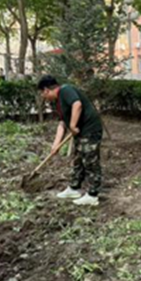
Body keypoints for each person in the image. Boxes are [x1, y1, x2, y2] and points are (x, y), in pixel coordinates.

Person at [37, 75, 103, 206]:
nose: (43, 97)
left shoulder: (65, 90)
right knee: (78, 160)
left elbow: (77, 104)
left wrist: (72, 125)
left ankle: (92, 195)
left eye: (42, 94)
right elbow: (62, 123)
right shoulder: (57, 101)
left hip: (90, 129)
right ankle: (74, 188)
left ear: (46, 90)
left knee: (90, 161)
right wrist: (56, 145)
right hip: (80, 132)